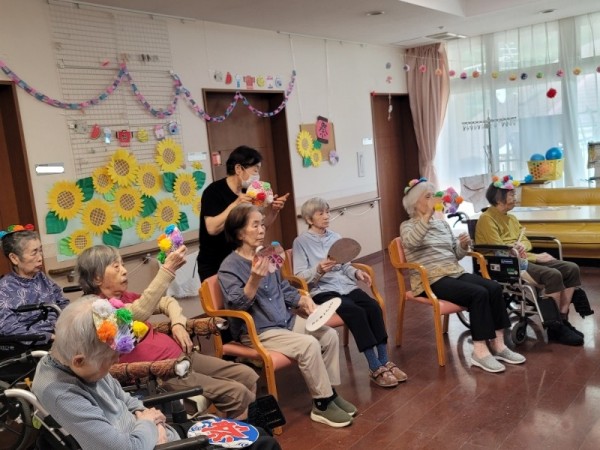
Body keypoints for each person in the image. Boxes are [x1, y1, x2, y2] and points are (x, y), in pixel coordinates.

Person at [32, 296, 281, 450]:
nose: (114, 364)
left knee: (259, 434)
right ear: (78, 360)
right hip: (156, 444)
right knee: (263, 445)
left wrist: (151, 421)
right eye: (109, 362)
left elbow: (124, 398)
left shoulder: (76, 358)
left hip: (157, 436)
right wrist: (149, 425)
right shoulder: (60, 392)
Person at [76, 244, 260, 420]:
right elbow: (138, 312)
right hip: (163, 373)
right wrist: (167, 270)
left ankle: (231, 427)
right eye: (116, 267)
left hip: (182, 356)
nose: (124, 271)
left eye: (123, 265)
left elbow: (166, 302)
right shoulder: (97, 309)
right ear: (97, 278)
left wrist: (177, 324)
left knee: (247, 375)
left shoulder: (124, 296)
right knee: (237, 393)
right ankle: (236, 433)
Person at [219, 203, 357, 428]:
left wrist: (301, 299)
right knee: (309, 344)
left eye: (262, 224)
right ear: (240, 233)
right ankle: (321, 405)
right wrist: (253, 280)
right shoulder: (229, 267)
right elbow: (236, 306)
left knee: (329, 335)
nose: (262, 229)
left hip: (285, 321)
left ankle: (329, 393)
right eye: (255, 225)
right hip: (259, 331)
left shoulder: (267, 254)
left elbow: (282, 287)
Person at [400, 178, 526, 374]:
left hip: (453, 272)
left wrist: (463, 245)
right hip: (429, 280)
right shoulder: (407, 226)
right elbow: (411, 242)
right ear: (415, 203)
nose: (433, 200)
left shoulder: (442, 225)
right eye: (428, 197)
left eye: (433, 196)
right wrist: (425, 217)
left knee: (493, 288)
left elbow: (456, 255)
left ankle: (499, 345)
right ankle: (480, 352)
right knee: (477, 294)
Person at [293, 197, 406, 388]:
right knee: (356, 312)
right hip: (322, 290)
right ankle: (374, 366)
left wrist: (356, 273)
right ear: (309, 219)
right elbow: (299, 277)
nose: (327, 216)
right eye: (321, 213)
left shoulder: (335, 237)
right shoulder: (300, 242)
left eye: (327, 212)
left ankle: (385, 360)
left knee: (373, 307)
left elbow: (345, 265)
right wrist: (318, 270)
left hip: (346, 286)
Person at [475, 176, 584, 346]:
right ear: (499, 198)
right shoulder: (487, 218)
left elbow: (526, 242)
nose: (515, 198)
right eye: (512, 195)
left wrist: (521, 246)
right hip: (504, 264)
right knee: (553, 275)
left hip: (522, 258)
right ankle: (554, 327)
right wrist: (534, 256)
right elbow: (499, 250)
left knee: (572, 268)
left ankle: (562, 320)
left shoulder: (511, 218)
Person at [197, 145, 289, 281]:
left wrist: (274, 211)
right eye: (255, 170)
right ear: (238, 169)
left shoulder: (250, 193)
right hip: (214, 263)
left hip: (242, 260)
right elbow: (212, 228)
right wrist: (236, 204)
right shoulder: (213, 191)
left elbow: (260, 227)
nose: (257, 176)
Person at [0, 224, 68, 343]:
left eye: (40, 251)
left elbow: (62, 303)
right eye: (34, 253)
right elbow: (8, 327)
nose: (40, 258)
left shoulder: (41, 277)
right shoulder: (4, 289)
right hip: (34, 344)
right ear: (14, 258)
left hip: (59, 334)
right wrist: (49, 337)